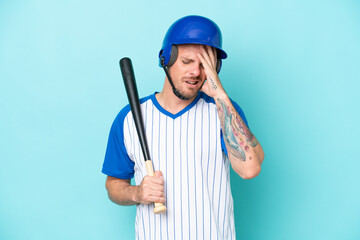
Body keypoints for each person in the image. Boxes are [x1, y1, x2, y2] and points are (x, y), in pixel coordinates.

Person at [102, 15, 264, 240]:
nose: (196, 72)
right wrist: (137, 193)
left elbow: (250, 169)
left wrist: (219, 94)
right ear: (166, 59)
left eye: (205, 65)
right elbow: (114, 185)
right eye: (187, 62)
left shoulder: (224, 111)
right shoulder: (129, 118)